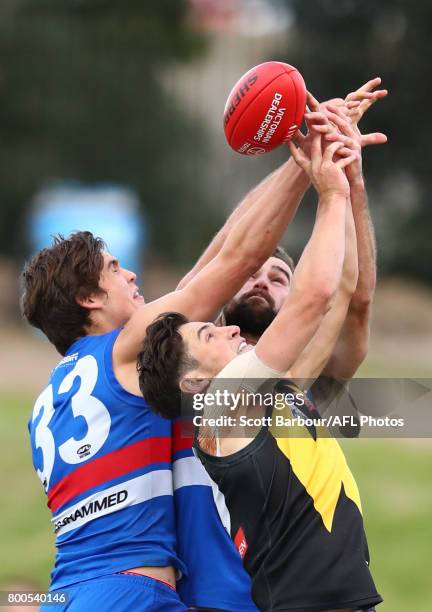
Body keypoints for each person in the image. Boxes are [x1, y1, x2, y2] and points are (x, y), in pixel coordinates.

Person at [22, 130, 316, 611]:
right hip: (129, 590)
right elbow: (236, 261)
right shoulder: (123, 351)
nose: (132, 275)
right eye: (115, 269)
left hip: (64, 592)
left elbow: (207, 271)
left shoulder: (44, 402)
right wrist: (303, 165)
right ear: (89, 299)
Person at [138, 126, 383, 610]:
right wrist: (326, 185)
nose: (225, 332)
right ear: (193, 380)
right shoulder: (226, 402)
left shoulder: (279, 388)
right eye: (210, 332)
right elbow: (307, 292)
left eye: (278, 276)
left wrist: (347, 172)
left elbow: (341, 289)